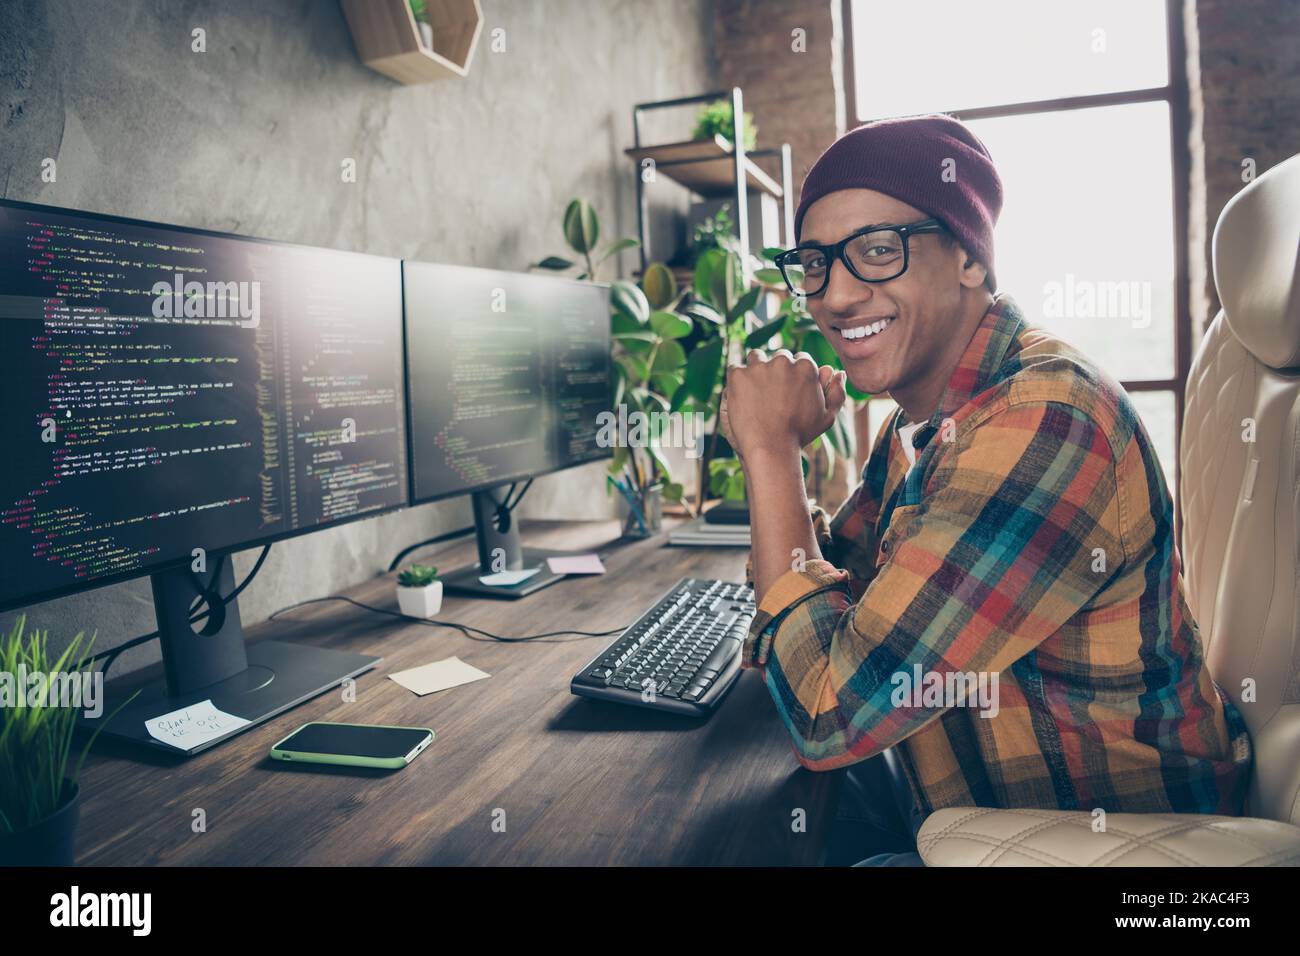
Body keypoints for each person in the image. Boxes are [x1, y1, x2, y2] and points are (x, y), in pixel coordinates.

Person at [720, 114, 1252, 867]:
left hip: (1124, 851)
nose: (834, 296)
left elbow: (825, 708)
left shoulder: (1042, 420)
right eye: (813, 262)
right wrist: (784, 473)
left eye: (877, 251)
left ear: (970, 258)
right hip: (973, 802)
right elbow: (837, 582)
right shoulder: (924, 422)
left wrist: (770, 451)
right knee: (745, 823)